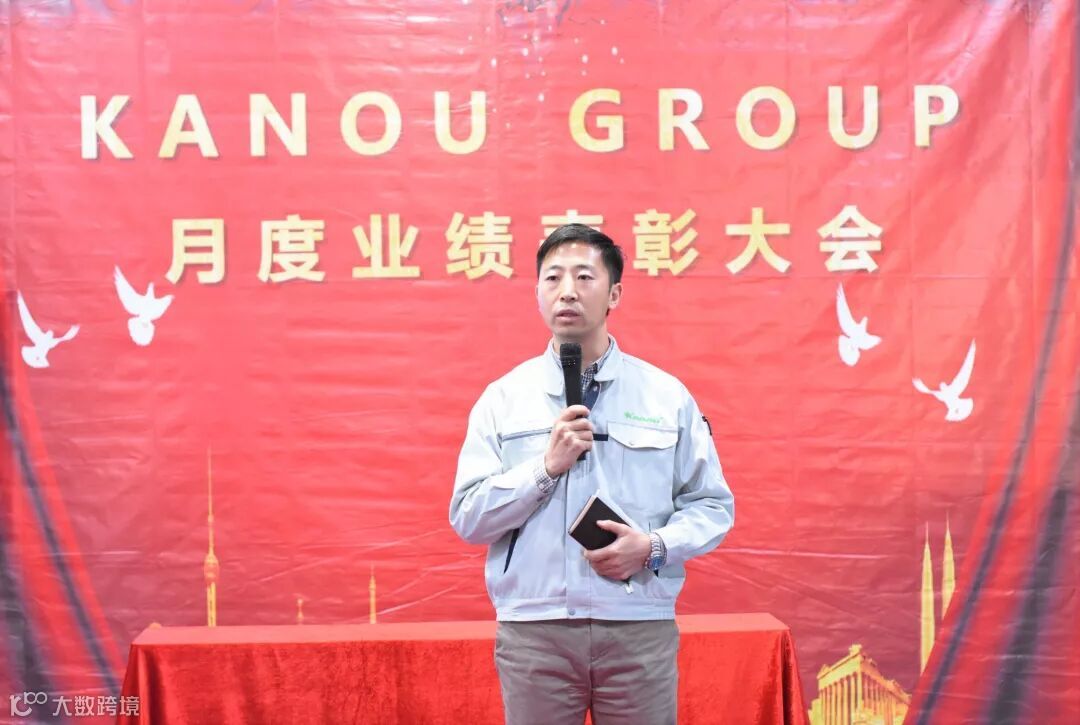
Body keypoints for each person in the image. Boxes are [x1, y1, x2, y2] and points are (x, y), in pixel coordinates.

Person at [449, 224, 735, 725]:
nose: (567, 291)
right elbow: (469, 518)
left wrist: (653, 547)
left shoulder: (665, 396)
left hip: (636, 625)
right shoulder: (504, 398)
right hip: (536, 630)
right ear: (537, 293)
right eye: (553, 277)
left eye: (584, 277)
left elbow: (712, 506)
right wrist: (544, 470)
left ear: (614, 294)